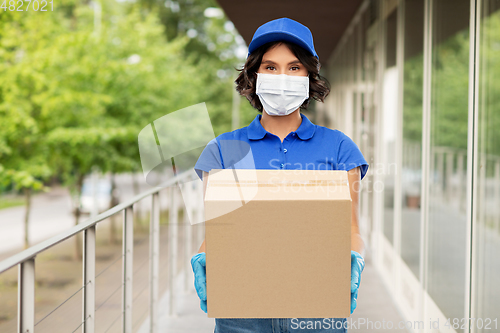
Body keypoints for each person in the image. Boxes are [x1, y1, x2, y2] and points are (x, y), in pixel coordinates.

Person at [190, 17, 369, 333]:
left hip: (316, 311)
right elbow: (218, 230)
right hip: (242, 312)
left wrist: (354, 256)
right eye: (270, 67)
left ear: (308, 77)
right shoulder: (223, 149)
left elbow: (351, 226)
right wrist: (204, 258)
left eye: (294, 67)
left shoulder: (340, 148)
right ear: (254, 75)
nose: (282, 76)